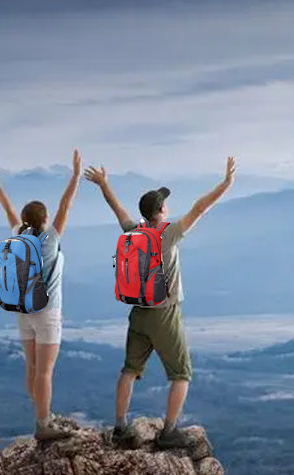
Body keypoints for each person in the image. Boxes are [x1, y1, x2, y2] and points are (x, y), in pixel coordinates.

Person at [84, 157, 236, 448]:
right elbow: (200, 208)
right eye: (165, 204)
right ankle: (169, 432)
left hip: (138, 312)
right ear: (161, 211)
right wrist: (226, 184)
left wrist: (104, 184)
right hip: (164, 314)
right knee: (181, 374)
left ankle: (119, 427)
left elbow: (118, 209)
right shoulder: (169, 234)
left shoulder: (134, 232)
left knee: (129, 370)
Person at [0, 150, 82, 441]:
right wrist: (75, 175)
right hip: (48, 312)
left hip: (22, 310)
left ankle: (40, 411)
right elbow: (67, 204)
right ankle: (44, 423)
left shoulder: (18, 235)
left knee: (32, 367)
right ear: (45, 220)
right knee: (46, 372)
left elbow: (9, 211)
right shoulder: (50, 239)